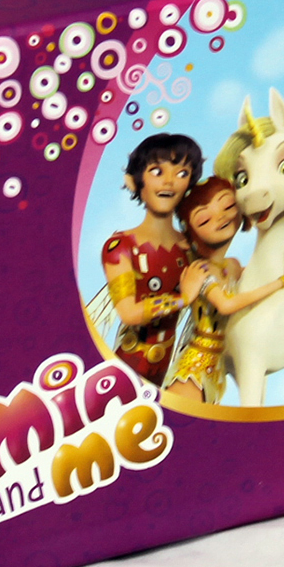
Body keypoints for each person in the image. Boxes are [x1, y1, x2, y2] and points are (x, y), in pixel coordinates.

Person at [164, 177, 284, 404]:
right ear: (191, 234)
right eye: (204, 219)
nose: (220, 217)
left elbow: (256, 277)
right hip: (196, 363)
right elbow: (227, 305)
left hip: (219, 366)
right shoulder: (201, 270)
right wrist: (282, 280)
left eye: (228, 206)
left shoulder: (232, 266)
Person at [101, 133, 203, 385]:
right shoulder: (120, 247)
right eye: (157, 171)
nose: (169, 181)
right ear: (134, 181)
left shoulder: (190, 247)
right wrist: (183, 299)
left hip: (165, 371)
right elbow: (129, 312)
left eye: (182, 173)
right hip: (127, 368)